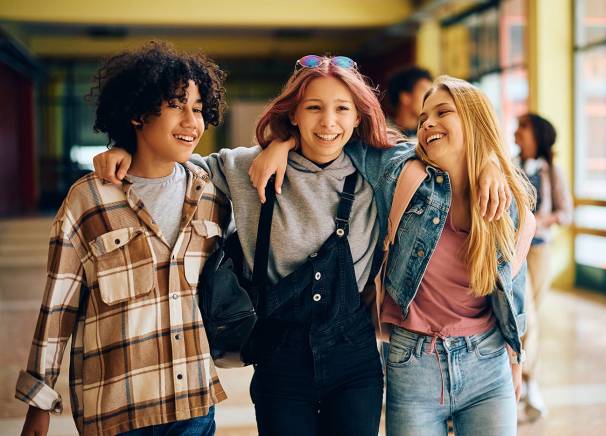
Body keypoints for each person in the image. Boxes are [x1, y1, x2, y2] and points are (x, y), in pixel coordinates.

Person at [94, 56, 511, 436]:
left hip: (354, 359)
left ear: (358, 116)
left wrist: (491, 161)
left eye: (342, 108)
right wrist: (124, 149)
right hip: (280, 362)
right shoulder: (245, 168)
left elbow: (441, 158)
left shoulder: (379, 169)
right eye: (314, 107)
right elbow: (173, 164)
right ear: (293, 112)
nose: (328, 121)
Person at [251, 75, 536, 436]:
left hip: (487, 360)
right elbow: (336, 135)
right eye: (423, 117)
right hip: (412, 362)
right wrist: (283, 142)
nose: (428, 123)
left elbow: (513, 287)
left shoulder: (507, 200)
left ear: (475, 121)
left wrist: (514, 355)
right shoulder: (400, 170)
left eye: (442, 112)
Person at [15, 41, 229, 436]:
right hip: (116, 410)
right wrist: (39, 403)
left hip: (194, 405)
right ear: (137, 112)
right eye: (177, 105)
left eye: (197, 108)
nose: (192, 121)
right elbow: (57, 307)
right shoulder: (89, 199)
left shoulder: (211, 195)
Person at [514, 113, 573, 421]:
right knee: (529, 318)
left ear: (538, 135)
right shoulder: (508, 166)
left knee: (531, 314)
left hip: (539, 252)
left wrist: (539, 222)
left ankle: (526, 382)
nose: (516, 131)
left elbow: (566, 212)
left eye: (523, 127)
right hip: (513, 252)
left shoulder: (551, 172)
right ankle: (528, 382)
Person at [386, 66, 433, 140]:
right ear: (405, 97)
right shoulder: (383, 134)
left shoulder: (430, 134)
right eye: (425, 91)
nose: (431, 98)